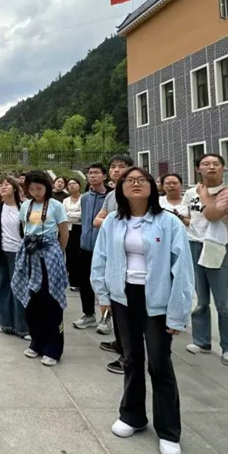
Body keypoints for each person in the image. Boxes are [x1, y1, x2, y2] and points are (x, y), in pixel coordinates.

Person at [91, 166, 193, 454]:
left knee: (160, 364)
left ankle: (169, 431)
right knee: (131, 359)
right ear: (120, 189)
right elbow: (101, 259)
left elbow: (183, 270)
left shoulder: (169, 223)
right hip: (123, 297)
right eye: (129, 181)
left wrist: (177, 313)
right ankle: (132, 415)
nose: (135, 184)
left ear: (152, 187)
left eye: (142, 180)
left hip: (158, 299)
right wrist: (103, 294)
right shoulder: (113, 221)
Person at [183, 154, 228, 367]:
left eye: (216, 164)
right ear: (198, 169)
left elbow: (213, 214)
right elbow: (188, 217)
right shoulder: (190, 193)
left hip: (220, 247)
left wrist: (203, 194)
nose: (211, 167)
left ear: (223, 168)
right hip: (195, 245)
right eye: (206, 164)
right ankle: (201, 340)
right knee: (201, 300)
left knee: (224, 303)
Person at [13, 171, 69, 366]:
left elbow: (64, 232)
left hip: (49, 255)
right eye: (31, 189)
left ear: (47, 187)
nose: (36, 192)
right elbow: (24, 228)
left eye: (39, 188)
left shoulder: (56, 206)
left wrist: (58, 253)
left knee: (51, 301)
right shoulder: (25, 206)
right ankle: (36, 342)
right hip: (30, 256)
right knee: (32, 301)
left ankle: (53, 348)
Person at [92, 154, 135, 374]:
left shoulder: (134, 193)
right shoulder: (111, 196)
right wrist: (112, 221)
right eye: (113, 167)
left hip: (131, 257)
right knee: (115, 302)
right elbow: (97, 220)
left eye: (122, 166)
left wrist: (111, 221)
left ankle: (129, 356)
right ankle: (120, 343)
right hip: (112, 253)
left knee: (128, 308)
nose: (116, 170)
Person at [0, 175, 29, 339]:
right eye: (0, 185)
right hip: (1, 251)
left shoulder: (24, 207)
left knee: (19, 289)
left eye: (7, 184)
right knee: (0, 287)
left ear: (15, 189)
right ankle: (1, 320)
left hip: (19, 252)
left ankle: (22, 326)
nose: (3, 187)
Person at [75, 163, 109, 330]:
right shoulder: (85, 198)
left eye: (96, 173)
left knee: (105, 284)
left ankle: (106, 318)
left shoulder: (111, 197)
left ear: (104, 176)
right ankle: (89, 314)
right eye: (90, 173)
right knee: (85, 282)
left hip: (103, 248)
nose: (92, 176)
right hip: (85, 246)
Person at [62, 177, 83, 291]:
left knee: (81, 255)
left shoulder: (84, 198)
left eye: (74, 183)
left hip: (81, 229)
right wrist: (76, 214)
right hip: (69, 229)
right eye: (69, 184)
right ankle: (73, 282)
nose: (72, 185)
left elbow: (84, 215)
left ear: (79, 185)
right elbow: (63, 215)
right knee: (70, 256)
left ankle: (82, 281)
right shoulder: (66, 200)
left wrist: (70, 214)